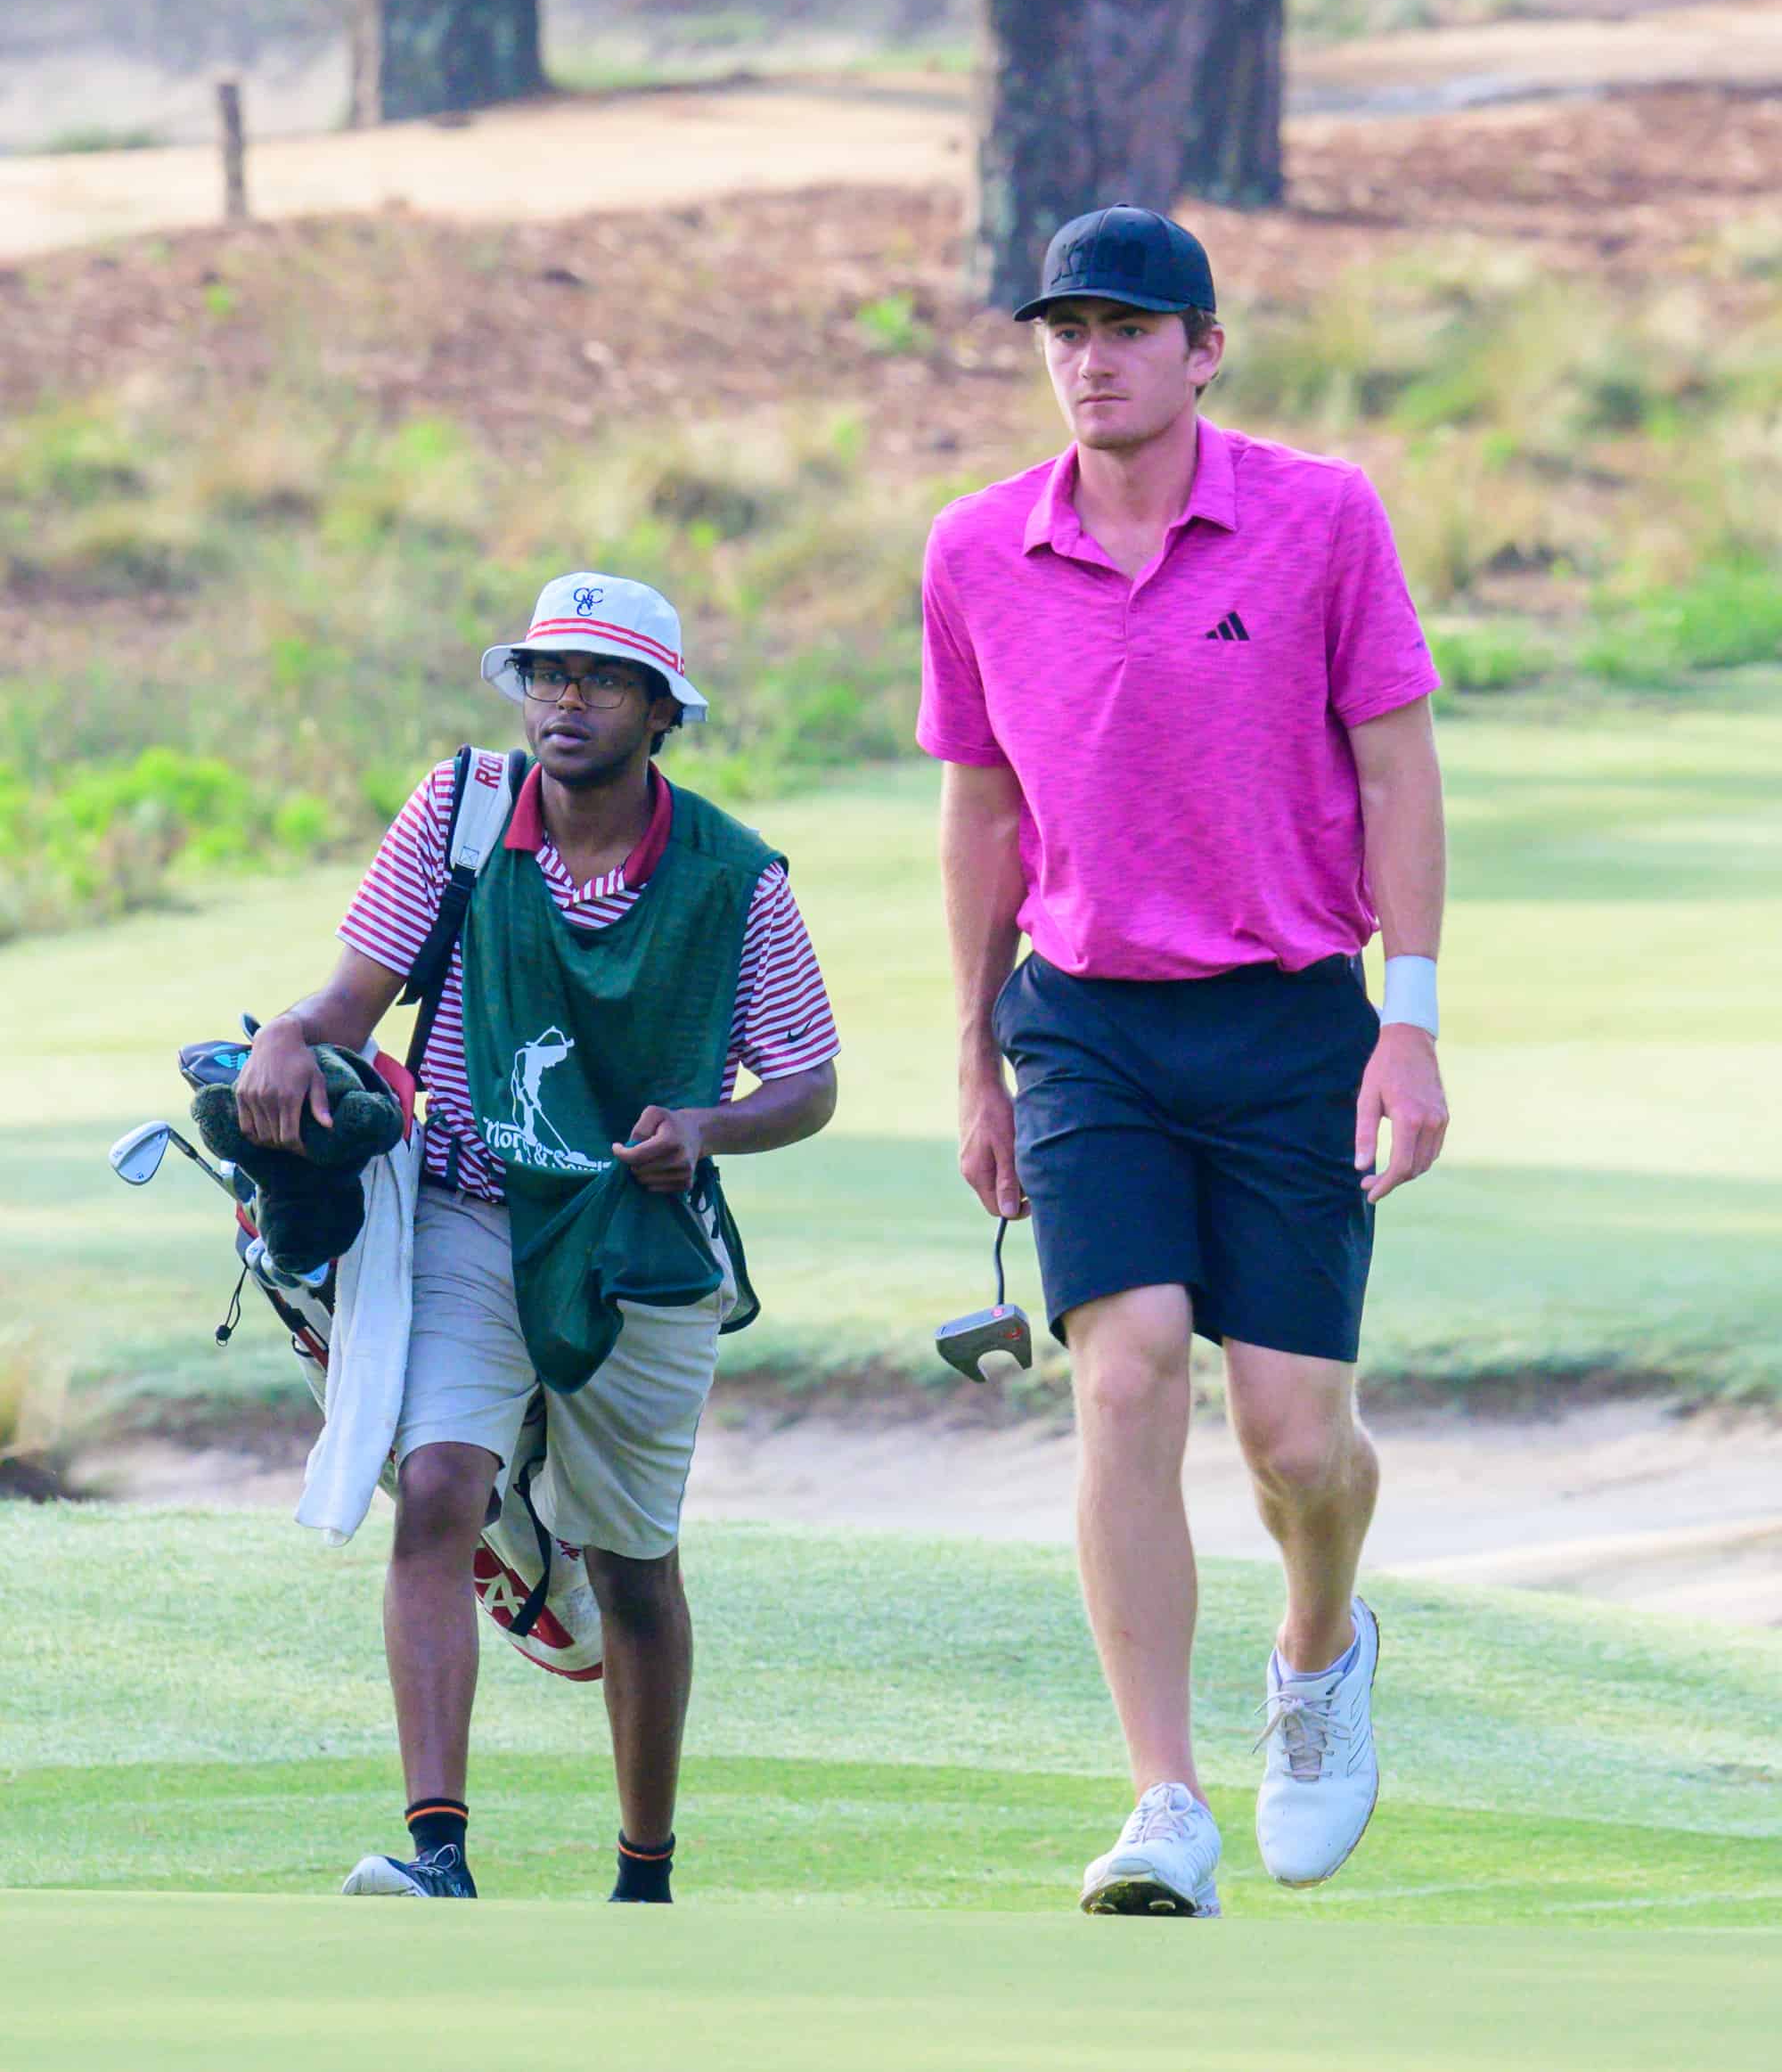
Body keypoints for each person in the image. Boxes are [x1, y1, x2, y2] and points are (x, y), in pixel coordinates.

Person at [919, 205, 1448, 1918]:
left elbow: (1398, 769)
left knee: (1297, 1442)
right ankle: (1164, 1801)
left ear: (1203, 349)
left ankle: (1319, 1651)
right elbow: (982, 803)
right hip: (1086, 1020)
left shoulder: (1320, 515)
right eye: (1064, 330)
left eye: (1129, 328)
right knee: (1127, 1366)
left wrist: (1412, 1016)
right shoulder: (978, 549)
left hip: (1292, 1014)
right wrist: (976, 1057)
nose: (1091, 358)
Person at [233, 572, 839, 1902]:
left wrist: (704, 1126)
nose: (567, 702)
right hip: (467, 1206)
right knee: (441, 1488)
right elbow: (347, 1001)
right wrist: (281, 1039)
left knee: (629, 1565)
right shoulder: (457, 813)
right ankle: (439, 1851)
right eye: (549, 675)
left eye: (602, 679)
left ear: (659, 711)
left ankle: (643, 1873)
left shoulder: (736, 877)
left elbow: (807, 1079)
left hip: (644, 1244)